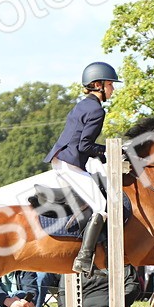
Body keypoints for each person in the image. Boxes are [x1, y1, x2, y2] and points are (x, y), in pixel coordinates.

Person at [45, 62, 117, 274]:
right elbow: (85, 145)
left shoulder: (83, 104)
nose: (113, 89)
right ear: (98, 85)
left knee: (88, 199)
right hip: (70, 162)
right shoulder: (96, 110)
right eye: (110, 84)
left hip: (62, 159)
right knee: (102, 206)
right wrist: (110, 151)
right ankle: (84, 258)